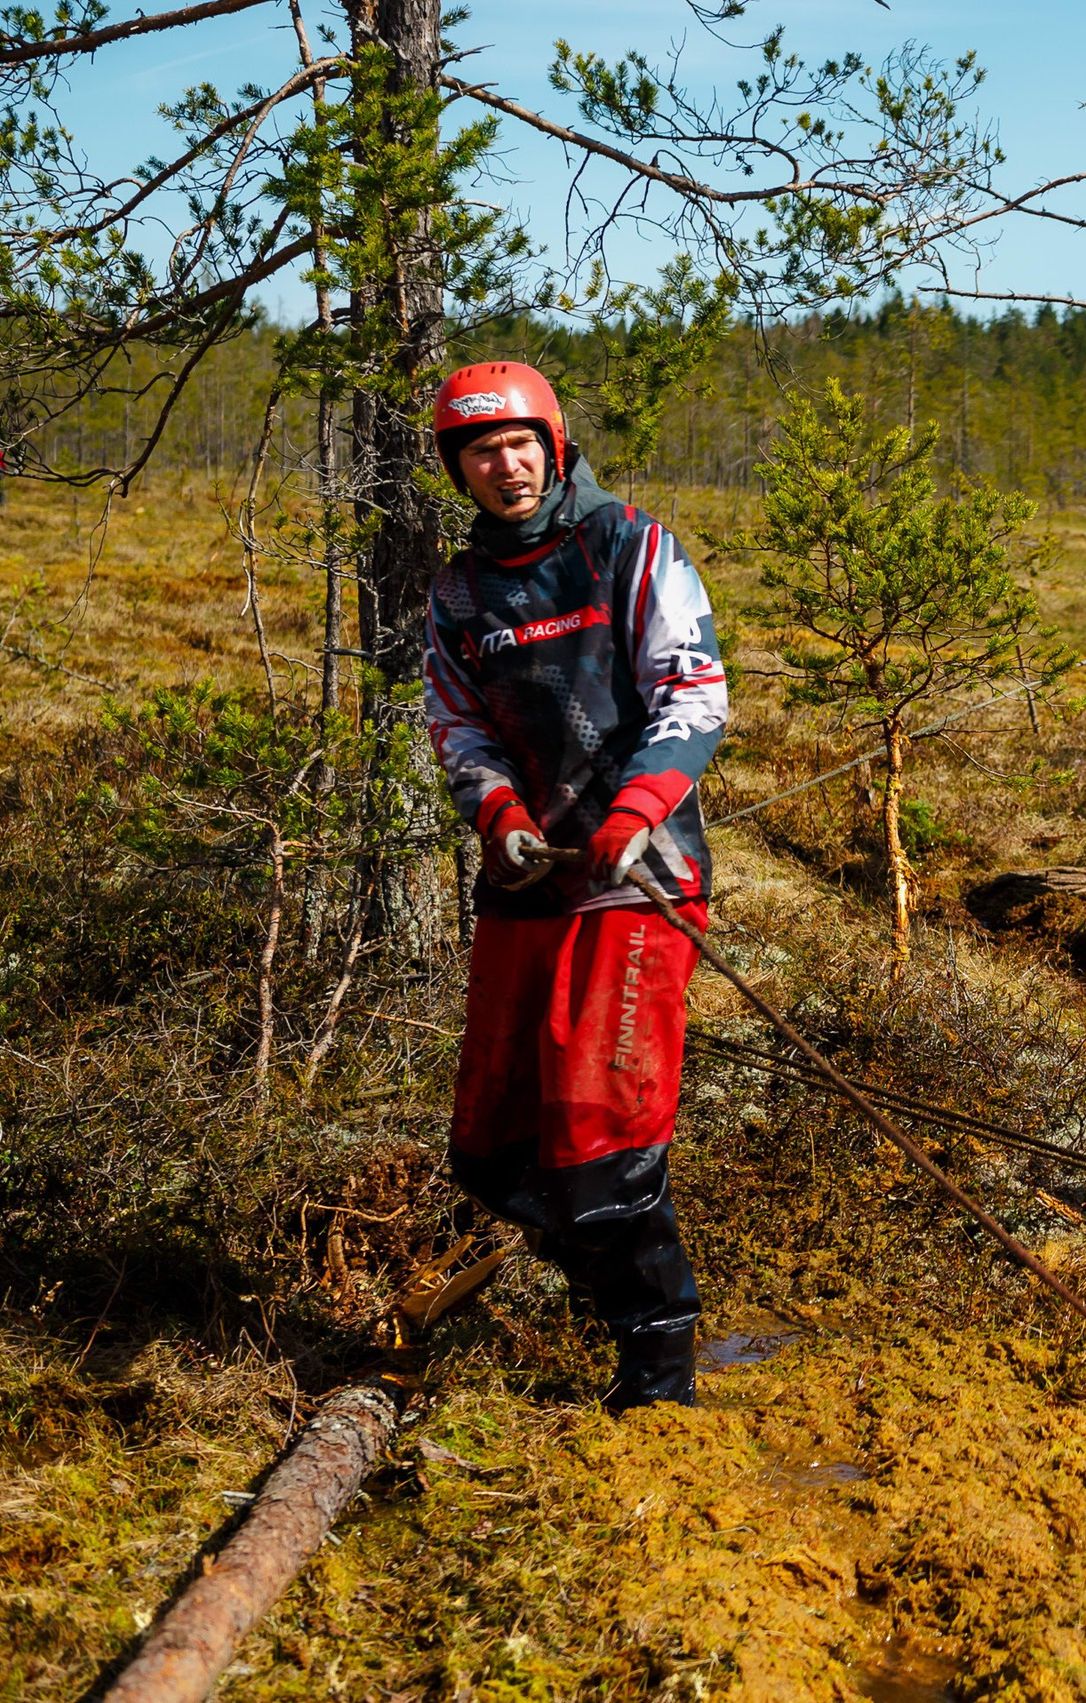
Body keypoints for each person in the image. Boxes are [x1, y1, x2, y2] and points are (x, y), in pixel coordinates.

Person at [420, 360, 731, 1410]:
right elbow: (458, 723)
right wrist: (498, 810)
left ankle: (658, 1372)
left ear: (552, 445)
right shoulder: (459, 589)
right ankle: (631, 1294)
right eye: (478, 451)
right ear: (458, 468)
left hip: (639, 877)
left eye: (518, 444)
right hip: (526, 879)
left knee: (602, 1136)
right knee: (491, 1149)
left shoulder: (628, 543)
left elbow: (693, 692)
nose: (503, 466)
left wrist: (635, 810)